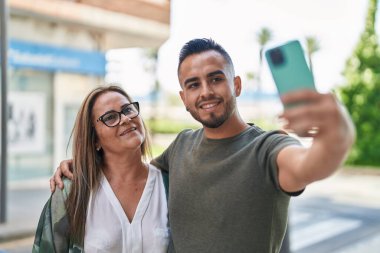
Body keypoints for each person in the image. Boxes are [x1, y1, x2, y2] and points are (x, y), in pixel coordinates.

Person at [52, 38, 355, 253]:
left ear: (236, 85)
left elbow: (309, 164)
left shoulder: (268, 149)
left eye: (215, 79)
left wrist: (337, 135)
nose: (206, 92)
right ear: (184, 98)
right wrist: (78, 165)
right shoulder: (181, 146)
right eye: (193, 84)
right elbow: (131, 170)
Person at [33, 85, 170, 252]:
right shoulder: (72, 191)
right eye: (110, 117)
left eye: (128, 110)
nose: (126, 119)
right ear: (95, 140)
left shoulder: (169, 184)